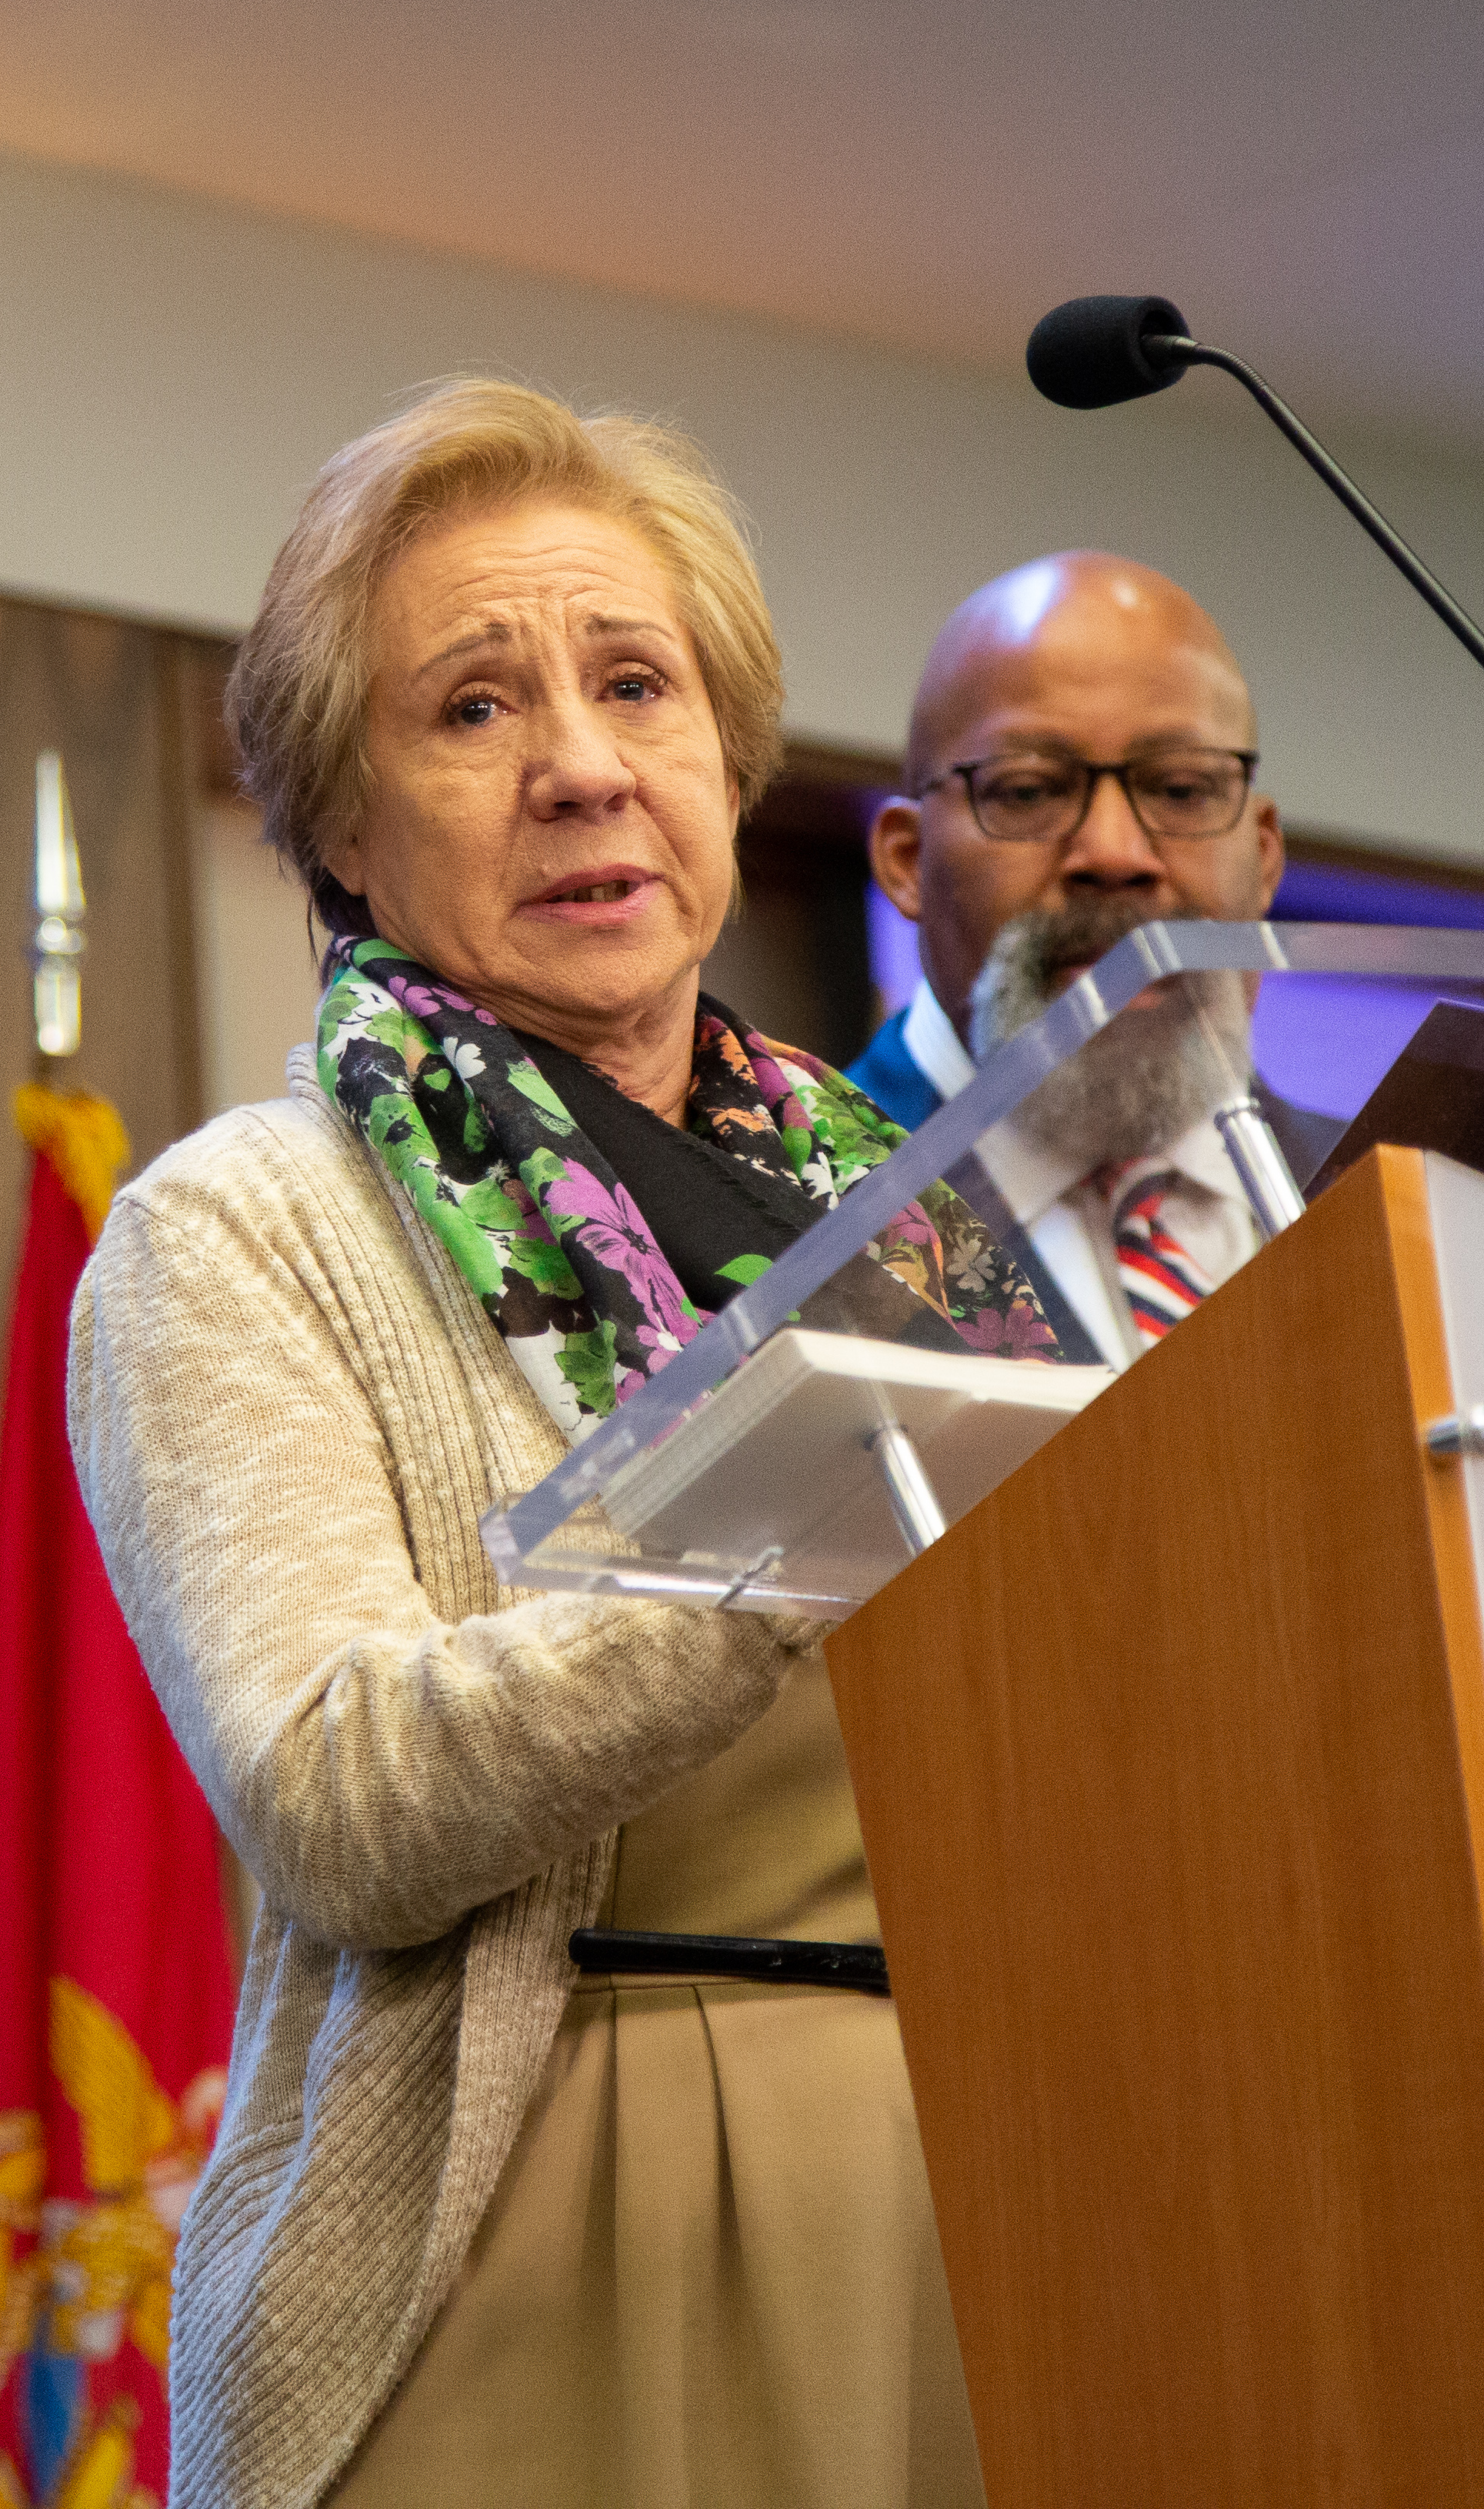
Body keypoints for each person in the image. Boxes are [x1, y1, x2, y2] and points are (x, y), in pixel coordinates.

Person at [69, 379, 1044, 2509]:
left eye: (635, 685)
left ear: (724, 756)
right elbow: (337, 1796)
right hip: (532, 2228)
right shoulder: (244, 1230)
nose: (584, 764)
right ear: (341, 822)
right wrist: (794, 1527)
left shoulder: (922, 1217)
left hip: (1003, 2204)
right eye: (475, 710)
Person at [845, 549, 1337, 1358]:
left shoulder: (1422, 1208)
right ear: (907, 861)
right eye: (1030, 790)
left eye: (1181, 789)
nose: (1114, 853)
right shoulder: (779, 1233)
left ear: (1266, 858)